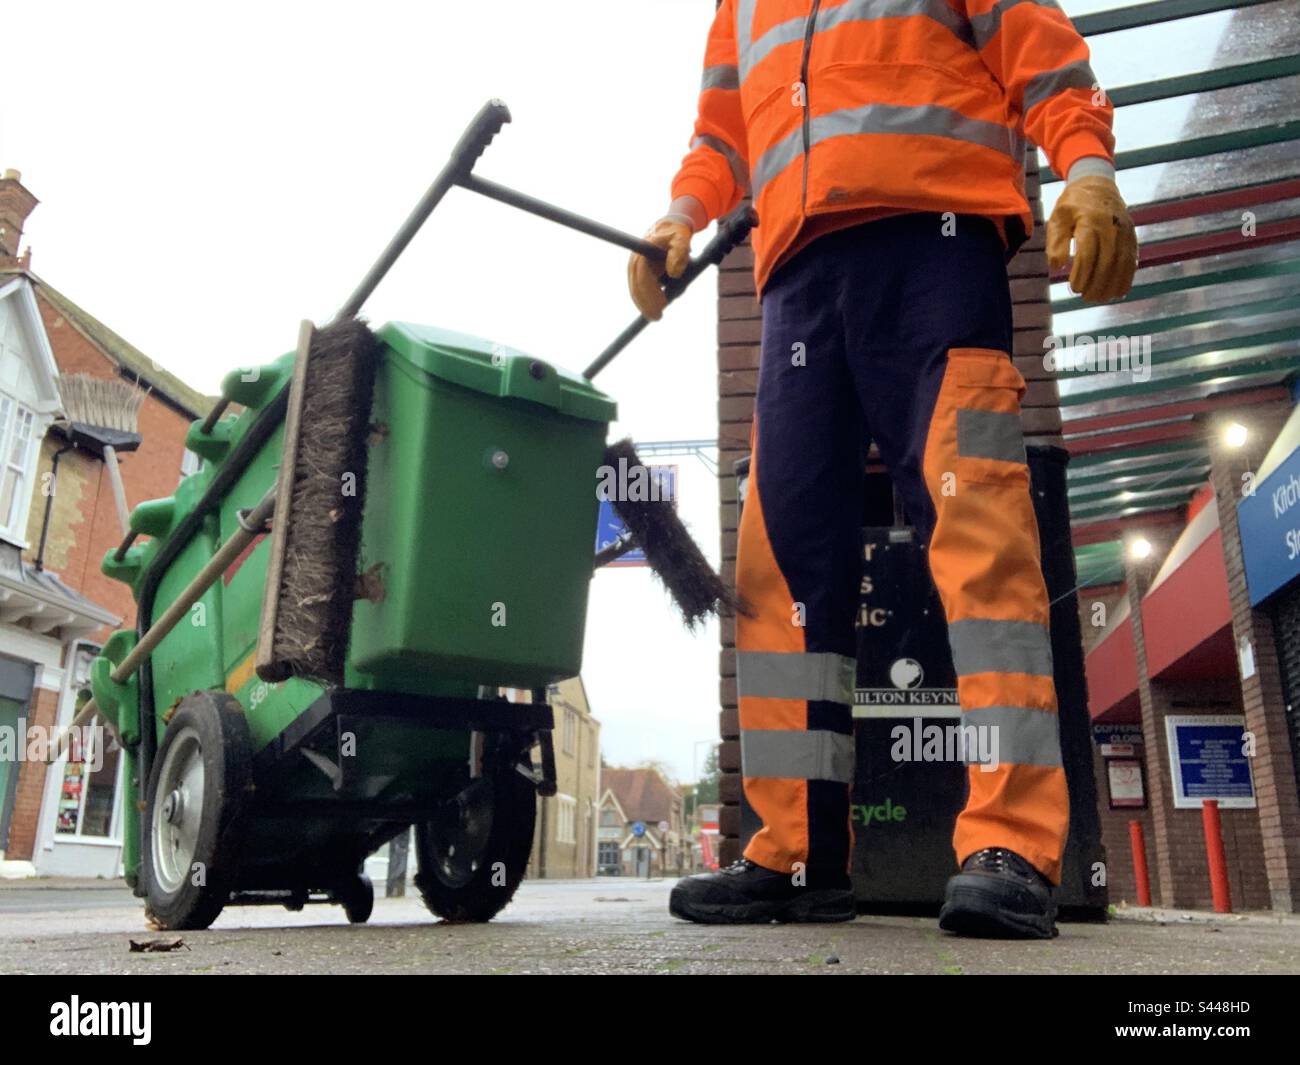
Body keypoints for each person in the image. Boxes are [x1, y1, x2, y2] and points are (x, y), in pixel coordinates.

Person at [628, 0, 1137, 938]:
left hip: (939, 244)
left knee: (976, 523)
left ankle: (1014, 843)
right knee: (781, 566)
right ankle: (798, 854)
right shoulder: (741, 7)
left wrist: (1090, 169)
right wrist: (681, 214)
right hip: (795, 279)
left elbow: (1045, 54)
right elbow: (721, 131)